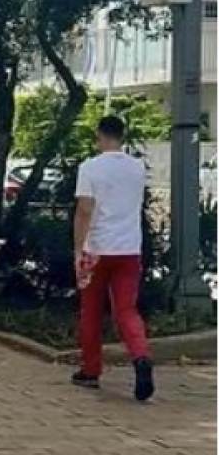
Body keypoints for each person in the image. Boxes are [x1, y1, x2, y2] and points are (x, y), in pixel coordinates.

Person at [72, 115, 156, 401]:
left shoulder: (90, 168)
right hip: (129, 248)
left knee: (91, 311)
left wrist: (78, 248)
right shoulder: (137, 168)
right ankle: (141, 356)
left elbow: (84, 210)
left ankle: (91, 370)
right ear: (123, 135)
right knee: (126, 310)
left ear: (99, 135)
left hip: (96, 249)